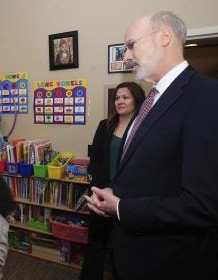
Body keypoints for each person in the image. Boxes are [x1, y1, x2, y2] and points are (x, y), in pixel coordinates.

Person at [85, 11, 218, 280]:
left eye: (131, 45)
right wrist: (114, 192)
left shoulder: (205, 96)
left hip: (168, 262)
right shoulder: (152, 100)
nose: (126, 56)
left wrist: (121, 207)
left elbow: (203, 204)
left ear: (164, 37)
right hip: (131, 255)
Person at [80, 82, 145, 280]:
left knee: (124, 248)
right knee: (95, 243)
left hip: (127, 199)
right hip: (100, 194)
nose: (119, 101)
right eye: (117, 98)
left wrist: (118, 192)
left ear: (137, 99)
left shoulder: (143, 128)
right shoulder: (104, 125)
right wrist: (99, 190)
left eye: (125, 97)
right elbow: (96, 161)